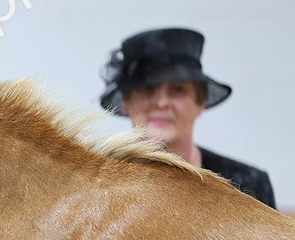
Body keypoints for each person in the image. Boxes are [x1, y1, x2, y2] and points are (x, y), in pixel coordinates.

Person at [100, 27, 276, 208]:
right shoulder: (100, 182)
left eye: (178, 90)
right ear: (126, 102)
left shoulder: (249, 185)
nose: (161, 102)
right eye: (147, 89)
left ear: (200, 103)